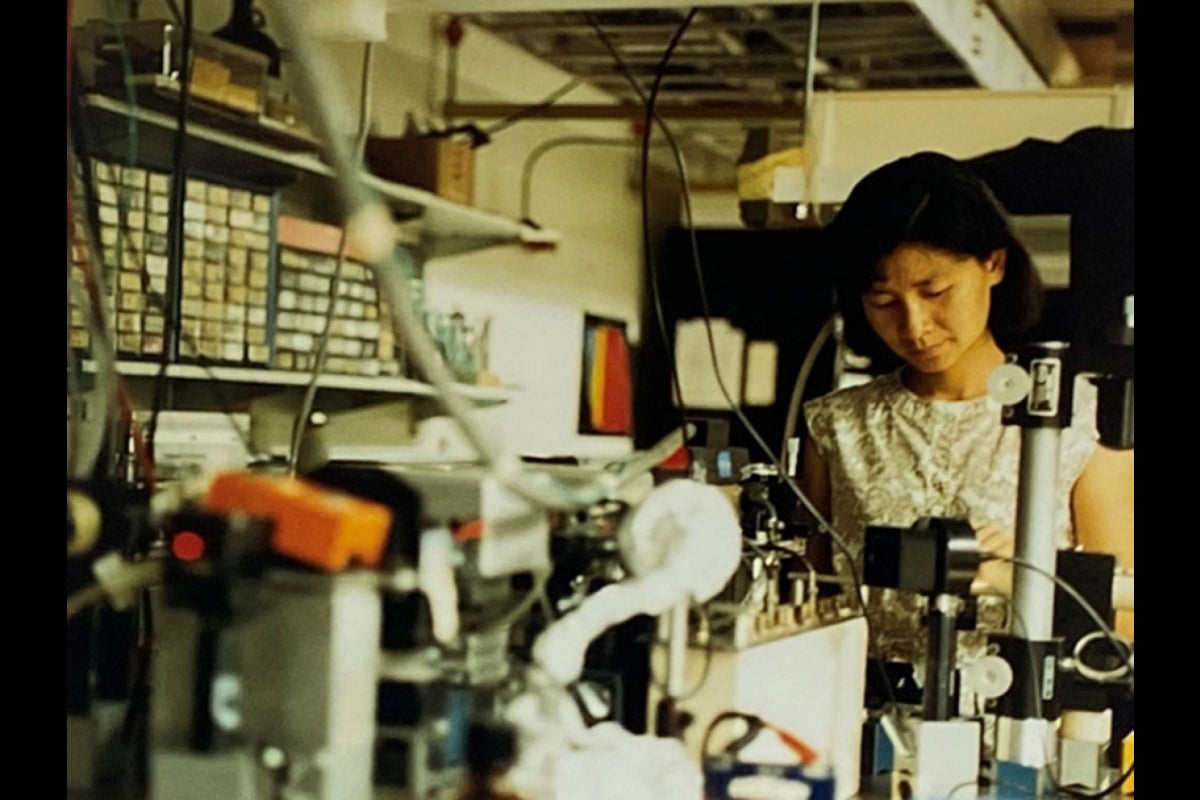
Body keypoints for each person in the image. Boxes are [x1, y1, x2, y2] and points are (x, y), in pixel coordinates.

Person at [797, 151, 1134, 681]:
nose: (915, 326)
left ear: (994, 264)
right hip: (861, 715)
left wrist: (1019, 575)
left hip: (1024, 727)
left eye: (935, 291)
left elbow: (1122, 627)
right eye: (883, 300)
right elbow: (808, 606)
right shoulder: (837, 427)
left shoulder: (1083, 423)